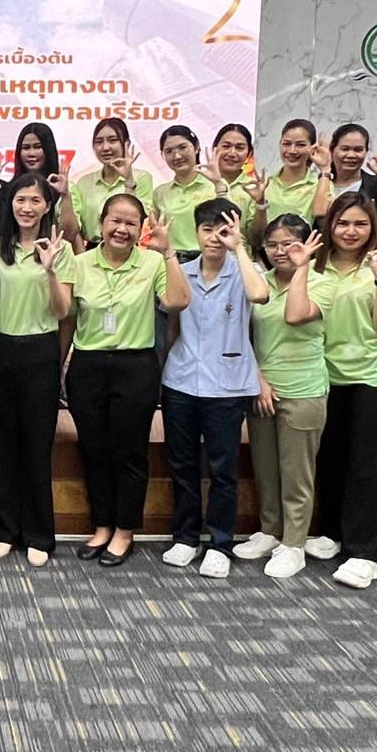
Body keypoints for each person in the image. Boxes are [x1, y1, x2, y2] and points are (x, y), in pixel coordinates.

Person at [59, 194, 188, 567]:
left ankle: (125, 530)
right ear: (101, 223)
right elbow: (67, 319)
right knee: (94, 448)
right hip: (88, 365)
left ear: (141, 228)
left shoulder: (152, 262)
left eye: (131, 222)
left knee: (129, 452)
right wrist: (59, 368)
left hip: (136, 366)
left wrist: (168, 253)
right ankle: (101, 525)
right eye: (116, 220)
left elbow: (178, 302)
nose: (122, 229)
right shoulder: (80, 263)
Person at [160, 199, 269, 579]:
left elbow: (259, 296)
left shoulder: (245, 270)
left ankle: (220, 542)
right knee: (183, 464)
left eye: (223, 229)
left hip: (227, 385)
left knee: (223, 468)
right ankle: (186, 537)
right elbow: (172, 320)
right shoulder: (181, 271)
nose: (214, 237)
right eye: (207, 229)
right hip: (182, 381)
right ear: (196, 232)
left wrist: (240, 247)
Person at [305, 192, 377, 590]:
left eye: (360, 224)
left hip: (371, 377)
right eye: (343, 223)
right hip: (325, 374)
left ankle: (364, 551)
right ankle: (331, 531)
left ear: (372, 228)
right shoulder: (314, 265)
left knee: (365, 462)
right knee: (331, 456)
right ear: (330, 225)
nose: (350, 231)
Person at [0, 173, 70, 568]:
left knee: (36, 446)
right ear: (10, 204)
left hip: (40, 353)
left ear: (47, 206)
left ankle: (38, 534)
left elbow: (63, 311)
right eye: (21, 200)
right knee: (1, 444)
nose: (27, 207)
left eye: (36, 200)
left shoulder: (60, 249)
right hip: (3, 350)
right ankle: (5, 531)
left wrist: (49, 269)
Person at [237, 215, 329, 579]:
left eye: (290, 243)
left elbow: (295, 316)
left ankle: (294, 543)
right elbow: (243, 335)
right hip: (261, 389)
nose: (280, 251)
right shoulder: (259, 284)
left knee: (297, 473)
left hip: (304, 389)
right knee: (266, 467)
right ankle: (269, 531)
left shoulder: (322, 285)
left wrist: (304, 268)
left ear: (308, 245)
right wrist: (257, 378)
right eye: (273, 244)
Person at [0, 121, 78, 246]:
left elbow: (69, 235)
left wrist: (65, 195)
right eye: (26, 148)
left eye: (37, 147)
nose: (31, 154)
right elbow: (0, 229)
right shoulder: (10, 188)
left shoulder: (66, 188)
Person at [310, 124, 377, 236]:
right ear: (332, 150)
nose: (351, 155)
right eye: (345, 149)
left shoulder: (376, 185)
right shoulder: (318, 183)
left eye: (358, 150)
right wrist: (324, 170)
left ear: (366, 152)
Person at [70, 117, 152, 250]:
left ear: (126, 143)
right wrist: (82, 257)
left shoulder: (141, 177)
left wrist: (129, 180)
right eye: (99, 142)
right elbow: (76, 228)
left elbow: (136, 217)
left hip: (126, 248)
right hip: (91, 250)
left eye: (112, 140)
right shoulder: (84, 182)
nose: (105, 147)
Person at [152, 125, 216, 258]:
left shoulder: (214, 186)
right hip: (172, 260)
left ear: (196, 147)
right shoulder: (160, 193)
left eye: (182, 147)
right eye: (169, 151)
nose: (177, 156)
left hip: (208, 260)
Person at [258, 119, 329, 228]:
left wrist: (325, 168)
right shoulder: (267, 183)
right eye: (286, 144)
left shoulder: (320, 184)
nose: (292, 150)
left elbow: (321, 214)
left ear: (312, 148)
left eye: (300, 145)